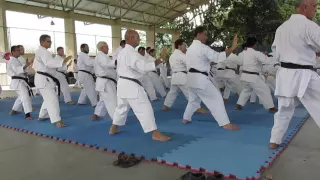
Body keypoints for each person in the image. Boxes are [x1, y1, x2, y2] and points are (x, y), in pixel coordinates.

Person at [270, 0, 320, 149]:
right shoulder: (308, 25)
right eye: (314, 6)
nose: (315, 10)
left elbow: (276, 52)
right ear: (304, 7)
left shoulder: (281, 28)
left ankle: (274, 140)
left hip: (285, 74)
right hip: (305, 75)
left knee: (284, 109)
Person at [109, 29, 171, 141]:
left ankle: (113, 128)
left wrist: (157, 59)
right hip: (131, 85)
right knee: (144, 107)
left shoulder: (123, 52)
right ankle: (155, 133)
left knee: (121, 108)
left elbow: (143, 62)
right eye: (137, 37)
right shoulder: (131, 53)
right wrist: (160, 58)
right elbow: (144, 66)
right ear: (131, 38)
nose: (139, 39)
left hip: (122, 84)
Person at [182, 26, 239, 130]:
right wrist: (232, 48)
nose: (206, 37)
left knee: (193, 100)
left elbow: (203, 61)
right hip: (200, 79)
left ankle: (186, 118)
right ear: (198, 34)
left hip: (190, 78)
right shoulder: (202, 47)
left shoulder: (190, 49)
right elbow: (217, 57)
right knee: (216, 98)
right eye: (205, 34)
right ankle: (225, 123)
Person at [33, 34, 72, 127]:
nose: (50, 43)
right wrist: (63, 61)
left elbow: (47, 66)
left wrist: (62, 62)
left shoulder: (42, 51)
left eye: (51, 41)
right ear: (42, 42)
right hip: (43, 79)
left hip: (44, 78)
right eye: (48, 41)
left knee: (48, 98)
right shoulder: (43, 51)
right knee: (52, 99)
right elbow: (49, 63)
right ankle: (57, 120)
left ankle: (42, 115)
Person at [162, 39, 206, 113]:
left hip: (174, 77)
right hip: (182, 76)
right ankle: (197, 108)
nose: (185, 47)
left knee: (172, 92)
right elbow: (189, 63)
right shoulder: (181, 55)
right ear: (179, 46)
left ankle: (165, 105)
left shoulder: (172, 55)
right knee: (189, 92)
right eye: (184, 45)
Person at [234, 37, 278, 112]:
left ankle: (239, 105)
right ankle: (271, 107)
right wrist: (276, 62)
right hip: (253, 77)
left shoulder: (242, 54)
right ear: (255, 44)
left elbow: (239, 63)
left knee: (247, 90)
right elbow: (266, 60)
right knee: (265, 90)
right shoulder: (256, 53)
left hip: (244, 76)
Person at [92, 41, 117, 121]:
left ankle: (97, 114)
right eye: (107, 46)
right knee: (112, 100)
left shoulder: (102, 56)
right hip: (106, 82)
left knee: (103, 100)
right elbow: (106, 64)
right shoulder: (101, 55)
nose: (108, 48)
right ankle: (116, 120)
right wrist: (117, 61)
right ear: (102, 47)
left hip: (104, 81)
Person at [7, 45, 33, 120]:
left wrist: (26, 68)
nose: (19, 52)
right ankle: (27, 114)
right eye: (18, 50)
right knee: (25, 95)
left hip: (21, 80)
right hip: (17, 81)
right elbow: (17, 70)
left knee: (22, 96)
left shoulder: (17, 59)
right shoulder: (11, 60)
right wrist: (26, 65)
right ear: (13, 52)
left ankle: (14, 109)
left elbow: (22, 70)